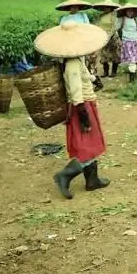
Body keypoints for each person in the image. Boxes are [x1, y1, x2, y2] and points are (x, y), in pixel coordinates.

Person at [33, 21, 111, 199]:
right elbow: (76, 93)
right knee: (86, 145)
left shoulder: (75, 60)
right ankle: (65, 175)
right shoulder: (72, 65)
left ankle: (93, 180)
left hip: (85, 103)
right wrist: (84, 117)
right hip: (81, 106)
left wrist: (92, 78)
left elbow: (83, 77)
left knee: (91, 144)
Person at [115, 3, 137, 83]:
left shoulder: (136, 20)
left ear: (134, 12)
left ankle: (133, 78)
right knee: (132, 61)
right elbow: (115, 28)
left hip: (135, 42)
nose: (130, 12)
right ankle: (132, 80)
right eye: (128, 11)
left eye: (132, 11)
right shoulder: (122, 19)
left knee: (135, 60)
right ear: (125, 11)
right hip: (127, 42)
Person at [91, 0, 122, 77]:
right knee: (104, 55)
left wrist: (109, 35)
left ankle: (114, 72)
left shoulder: (113, 15)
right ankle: (105, 72)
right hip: (103, 37)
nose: (106, 8)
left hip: (113, 37)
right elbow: (98, 25)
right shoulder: (101, 16)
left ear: (111, 8)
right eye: (105, 7)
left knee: (115, 54)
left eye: (108, 7)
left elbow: (114, 27)